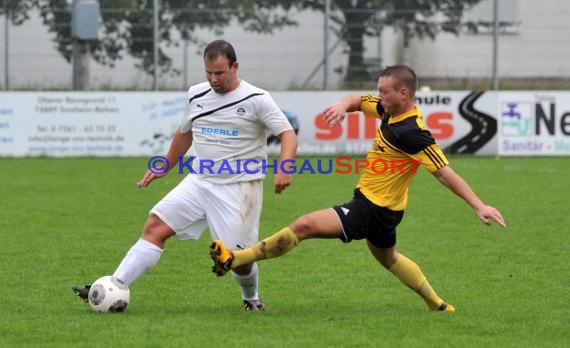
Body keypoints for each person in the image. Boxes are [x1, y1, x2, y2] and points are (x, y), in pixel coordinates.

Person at [210, 65, 506, 313]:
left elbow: (444, 173)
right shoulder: (390, 110)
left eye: (384, 91)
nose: (379, 96)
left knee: (303, 226)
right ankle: (437, 304)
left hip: (372, 209)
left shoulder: (413, 133)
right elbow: (356, 101)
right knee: (389, 258)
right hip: (386, 210)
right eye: (378, 90)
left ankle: (234, 259)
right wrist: (341, 106)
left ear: (403, 94)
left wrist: (479, 205)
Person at [73, 40, 298, 311]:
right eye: (208, 73)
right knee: (155, 226)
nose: (213, 79)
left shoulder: (256, 99)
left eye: (219, 73)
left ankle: (251, 299)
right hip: (199, 182)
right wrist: (164, 166)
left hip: (238, 189)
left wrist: (285, 169)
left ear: (235, 67)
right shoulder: (196, 94)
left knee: (239, 260)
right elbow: (185, 132)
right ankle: (114, 286)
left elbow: (287, 134)